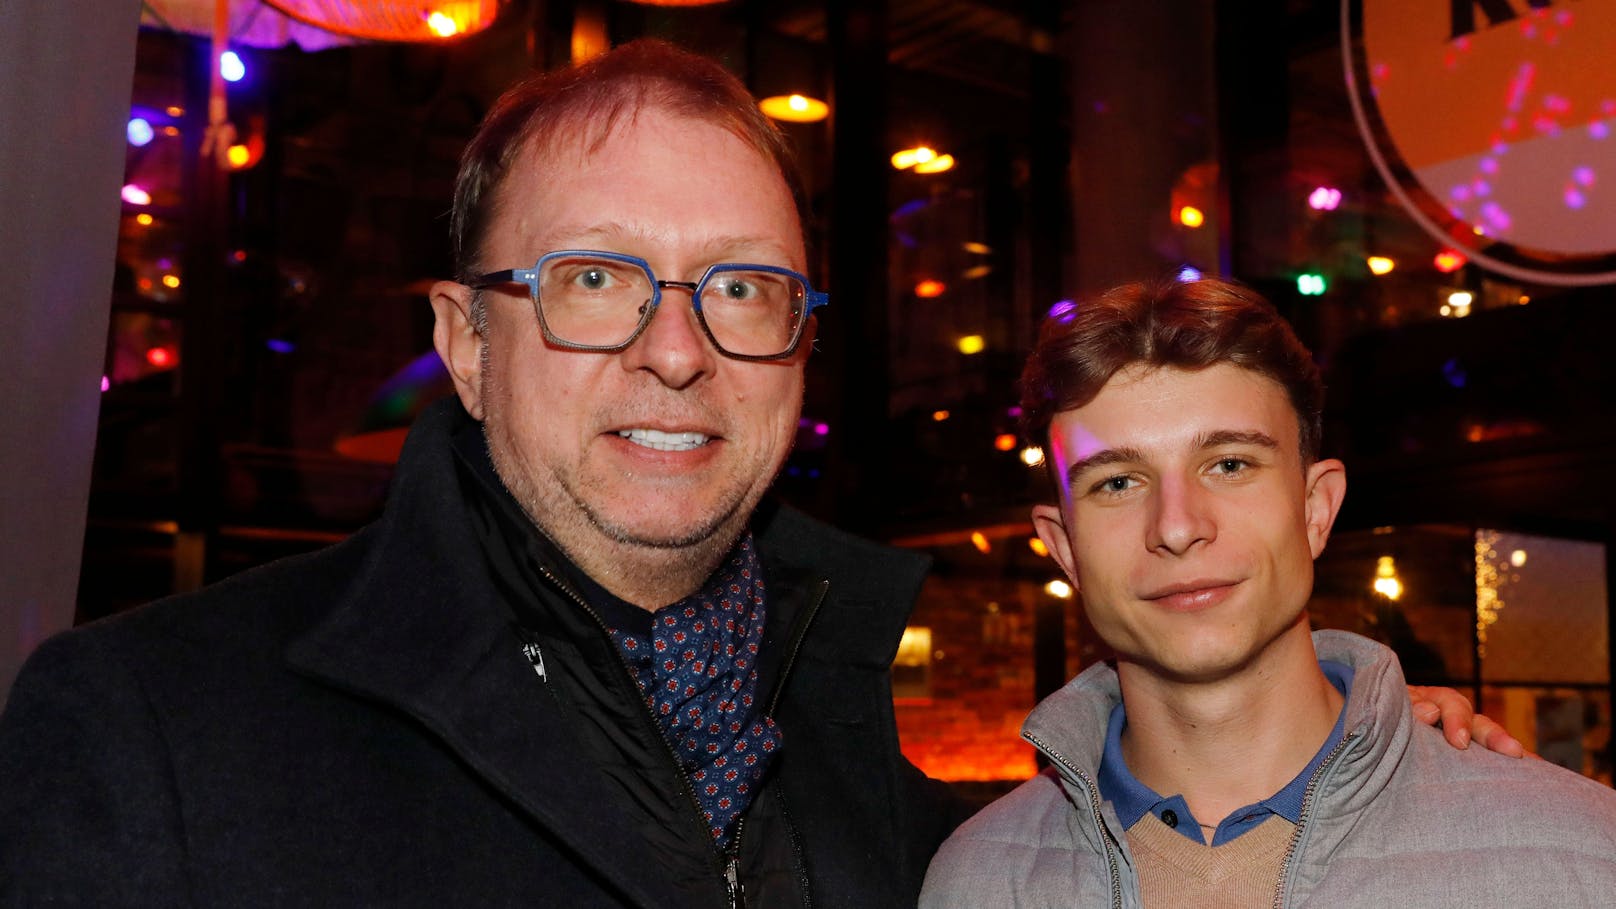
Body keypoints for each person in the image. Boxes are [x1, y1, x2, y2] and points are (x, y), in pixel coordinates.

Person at [0, 40, 1511, 909]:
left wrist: (1333, 719)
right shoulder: (156, 733)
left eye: (741, 287)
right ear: (464, 341)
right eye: (596, 279)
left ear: (798, 348)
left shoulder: (894, 804)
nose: (676, 351)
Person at [919, 277, 1616, 908]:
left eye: (1228, 463)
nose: (1178, 526)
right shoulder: (977, 881)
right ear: (1065, 544)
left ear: (1316, 508)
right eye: (1118, 482)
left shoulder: (1580, 855)